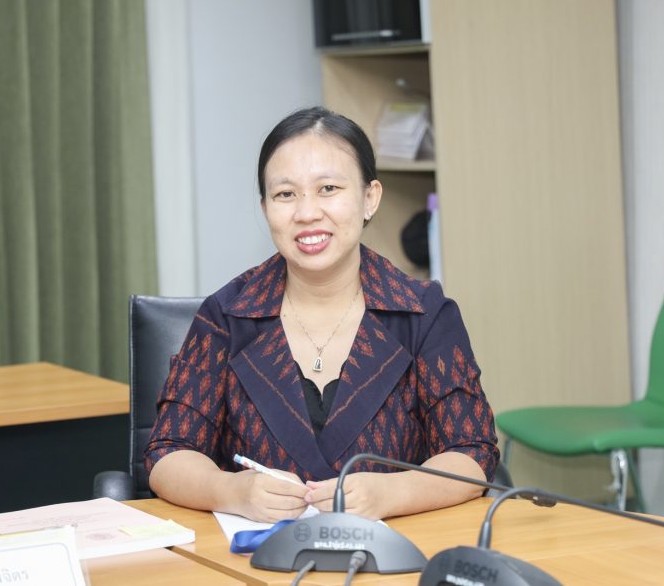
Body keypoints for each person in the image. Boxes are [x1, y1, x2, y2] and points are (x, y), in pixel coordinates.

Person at [145, 106, 498, 523]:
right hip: (257, 554)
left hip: (393, 552)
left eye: (328, 188)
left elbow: (472, 452)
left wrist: (392, 492)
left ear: (370, 198)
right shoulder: (227, 316)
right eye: (285, 194)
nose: (307, 212)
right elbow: (169, 452)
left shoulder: (423, 314)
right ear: (265, 208)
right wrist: (231, 491)